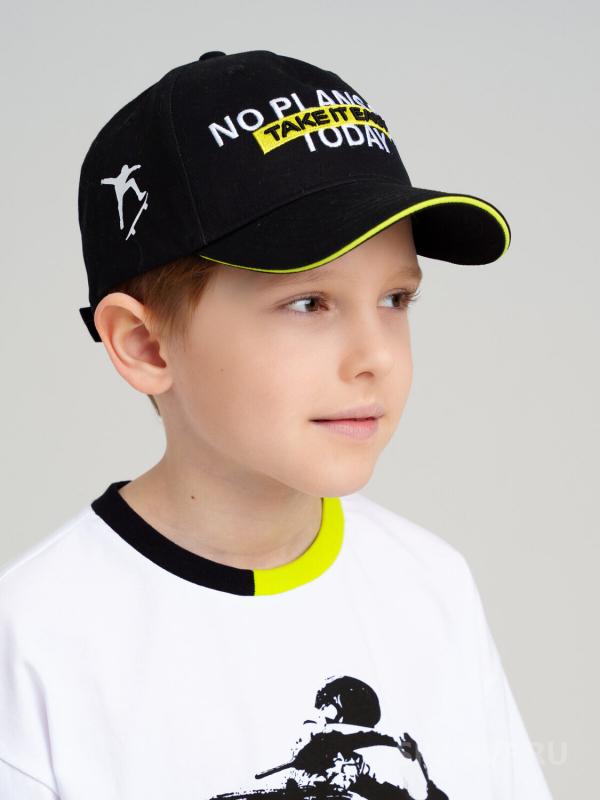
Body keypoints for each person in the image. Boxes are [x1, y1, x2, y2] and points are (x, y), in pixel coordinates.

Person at [0, 49, 554, 799]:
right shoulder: (34, 643)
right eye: (309, 303)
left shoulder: (431, 587)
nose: (375, 357)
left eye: (395, 300)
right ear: (145, 345)